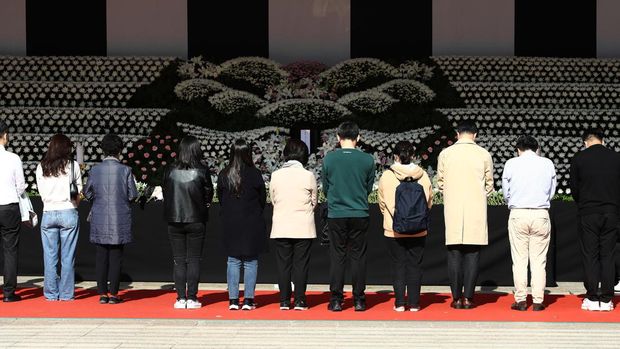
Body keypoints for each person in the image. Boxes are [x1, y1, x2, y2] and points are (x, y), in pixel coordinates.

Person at [437, 120, 494, 309]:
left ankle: (455, 298)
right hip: (475, 208)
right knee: (472, 253)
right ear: (475, 135)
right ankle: (468, 298)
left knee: (454, 253)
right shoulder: (483, 154)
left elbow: (441, 182)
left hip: (453, 208)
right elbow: (489, 184)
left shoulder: (446, 153)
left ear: (457, 133)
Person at [322, 121, 375, 312]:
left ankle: (336, 299)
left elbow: (326, 187)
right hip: (359, 211)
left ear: (338, 137)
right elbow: (368, 187)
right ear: (358, 137)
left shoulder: (329, 159)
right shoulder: (367, 160)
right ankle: (359, 299)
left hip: (337, 213)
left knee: (337, 256)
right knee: (358, 256)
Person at [502, 135, 557, 312]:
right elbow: (552, 190)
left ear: (518, 149)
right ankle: (538, 300)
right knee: (539, 260)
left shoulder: (511, 163)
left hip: (518, 213)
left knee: (519, 259)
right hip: (540, 213)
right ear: (536, 148)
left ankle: (520, 300)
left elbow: (505, 192)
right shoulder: (547, 163)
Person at [378, 141, 432, 312]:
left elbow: (382, 202)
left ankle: (400, 303)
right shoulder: (422, 175)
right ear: (413, 156)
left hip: (394, 229)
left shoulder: (387, 176)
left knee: (398, 265)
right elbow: (429, 201)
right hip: (418, 229)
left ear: (395, 156)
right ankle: (415, 303)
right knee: (415, 265)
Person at [84, 134, 138, 305]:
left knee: (101, 256)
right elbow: (133, 194)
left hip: (100, 216)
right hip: (119, 217)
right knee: (116, 257)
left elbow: (87, 192)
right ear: (119, 150)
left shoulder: (95, 170)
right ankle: (114, 294)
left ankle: (102, 294)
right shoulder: (125, 170)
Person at [570, 128, 620, 312]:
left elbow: (574, 188)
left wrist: (583, 203)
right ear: (603, 140)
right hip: (611, 212)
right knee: (608, 255)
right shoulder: (616, 158)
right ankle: (607, 299)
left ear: (585, 142)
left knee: (590, 255)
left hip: (588, 212)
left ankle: (592, 297)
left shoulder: (579, 159)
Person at [162, 136, 213, 309]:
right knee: (193, 259)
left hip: (175, 218)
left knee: (178, 259)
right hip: (196, 218)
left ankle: (180, 297)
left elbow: (165, 190)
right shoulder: (202, 170)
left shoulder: (170, 169)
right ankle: (191, 297)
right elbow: (208, 194)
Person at [217, 139, 267, 311]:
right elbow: (262, 198)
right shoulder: (255, 173)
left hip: (231, 221)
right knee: (250, 260)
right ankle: (248, 300)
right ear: (248, 154)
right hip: (251, 220)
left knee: (233, 260)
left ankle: (232, 300)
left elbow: (221, 199)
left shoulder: (224, 174)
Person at [270, 138, 317, 311]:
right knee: (301, 264)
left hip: (282, 225)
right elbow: (314, 201)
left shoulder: (276, 175)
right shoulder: (308, 175)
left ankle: (283, 300)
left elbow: (273, 200)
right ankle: (299, 300)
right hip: (303, 227)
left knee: (283, 265)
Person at [36, 134, 82, 301]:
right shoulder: (73, 165)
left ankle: (50, 293)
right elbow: (78, 191)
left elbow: (41, 192)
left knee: (49, 256)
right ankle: (66, 294)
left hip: (48, 211)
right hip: (68, 210)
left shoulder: (41, 166)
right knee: (68, 256)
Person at [0, 120, 26, 302]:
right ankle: (9, 293)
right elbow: (21, 186)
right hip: (9, 206)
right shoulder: (13, 158)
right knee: (10, 250)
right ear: (5, 135)